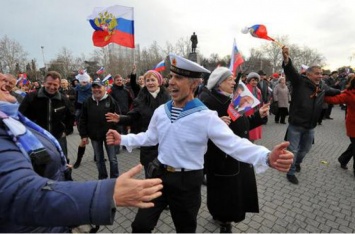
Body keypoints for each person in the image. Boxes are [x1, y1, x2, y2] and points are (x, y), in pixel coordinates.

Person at [106, 54, 294, 233]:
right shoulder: (161, 111)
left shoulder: (206, 117)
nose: (171, 82)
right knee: (140, 226)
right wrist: (123, 139)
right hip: (159, 176)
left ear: (194, 83)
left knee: (185, 229)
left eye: (178, 77)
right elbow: (150, 137)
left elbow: (234, 144)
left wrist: (267, 157)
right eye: (171, 76)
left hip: (187, 183)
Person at [0, 72, 163, 233]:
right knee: (102, 162)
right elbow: (19, 194)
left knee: (115, 161)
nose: (6, 78)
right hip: (36, 223)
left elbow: (70, 116)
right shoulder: (27, 104)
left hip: (51, 215)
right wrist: (105, 194)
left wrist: (61, 167)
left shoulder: (11, 121)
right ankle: (108, 181)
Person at [199, 67, 269, 233]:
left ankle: (225, 217)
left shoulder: (233, 98)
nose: (234, 82)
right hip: (221, 158)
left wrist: (258, 115)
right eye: (229, 79)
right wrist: (214, 124)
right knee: (223, 192)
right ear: (219, 83)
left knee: (234, 192)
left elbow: (243, 125)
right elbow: (196, 130)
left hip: (238, 155)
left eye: (232, 79)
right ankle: (224, 221)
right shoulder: (207, 102)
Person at [282, 46, 340, 184]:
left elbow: (335, 91)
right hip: (296, 125)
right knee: (293, 151)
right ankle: (290, 172)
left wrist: (348, 90)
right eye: (317, 73)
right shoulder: (299, 82)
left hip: (311, 127)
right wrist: (286, 59)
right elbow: (290, 71)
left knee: (305, 150)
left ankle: (297, 163)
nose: (320, 75)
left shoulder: (322, 87)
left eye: (321, 73)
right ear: (308, 74)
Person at [106, 70, 170, 178]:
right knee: (150, 176)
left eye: (152, 80)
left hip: (166, 141)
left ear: (159, 82)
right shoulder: (141, 98)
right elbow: (133, 116)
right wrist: (120, 118)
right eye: (147, 80)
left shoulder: (169, 98)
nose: (150, 83)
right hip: (148, 143)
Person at [19, 71, 74, 164]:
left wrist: (66, 131)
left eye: (55, 84)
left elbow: (71, 116)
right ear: (44, 83)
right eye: (49, 83)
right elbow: (21, 115)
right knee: (40, 165)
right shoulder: (32, 97)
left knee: (63, 162)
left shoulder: (63, 99)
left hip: (58, 137)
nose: (52, 87)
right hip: (37, 139)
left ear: (59, 85)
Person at [78, 79, 120, 179]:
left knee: (113, 159)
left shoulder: (111, 101)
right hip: (94, 136)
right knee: (99, 160)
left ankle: (114, 179)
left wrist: (117, 133)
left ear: (104, 88)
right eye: (94, 87)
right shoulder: (87, 102)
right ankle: (102, 178)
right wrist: (84, 135)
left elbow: (118, 118)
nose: (96, 90)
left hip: (109, 136)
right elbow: (82, 119)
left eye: (99, 87)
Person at [324, 74, 355, 176]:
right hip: (353, 125)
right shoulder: (349, 94)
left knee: (353, 146)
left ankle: (343, 160)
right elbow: (335, 100)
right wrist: (321, 95)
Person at [72, 71, 93, 168]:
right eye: (82, 82)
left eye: (86, 82)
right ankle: (78, 160)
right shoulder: (77, 89)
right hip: (82, 114)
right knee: (83, 140)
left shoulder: (92, 87)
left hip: (91, 112)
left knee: (95, 139)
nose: (84, 84)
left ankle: (97, 156)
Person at [245, 72, 264, 142]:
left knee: (252, 139)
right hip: (247, 115)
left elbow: (261, 102)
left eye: (256, 80)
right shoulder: (245, 90)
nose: (255, 82)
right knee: (247, 137)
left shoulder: (258, 91)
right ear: (249, 81)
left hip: (256, 115)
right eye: (253, 80)